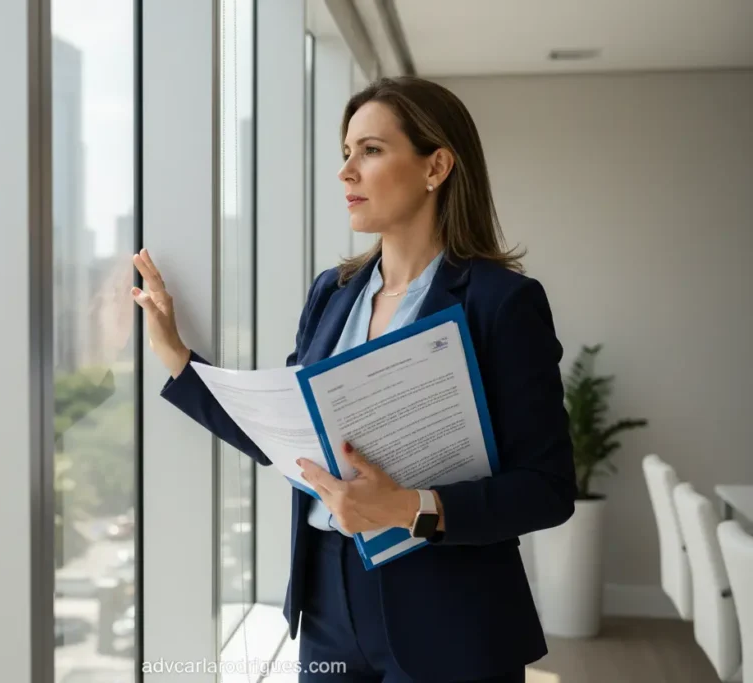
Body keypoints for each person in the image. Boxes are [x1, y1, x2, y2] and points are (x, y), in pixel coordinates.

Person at [131, 76, 576, 683]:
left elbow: (547, 489)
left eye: (369, 150)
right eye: (345, 153)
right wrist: (179, 359)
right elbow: (287, 430)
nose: (346, 172)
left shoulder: (503, 302)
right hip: (327, 601)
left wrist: (408, 508)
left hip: (451, 611)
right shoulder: (331, 293)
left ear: (436, 166)